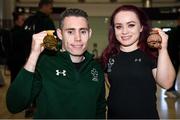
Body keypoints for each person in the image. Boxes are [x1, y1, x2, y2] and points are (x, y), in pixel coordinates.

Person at [6, 8, 106, 119]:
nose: (78, 38)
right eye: (70, 32)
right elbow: (14, 105)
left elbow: (100, 109)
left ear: (89, 33)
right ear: (60, 34)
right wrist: (34, 55)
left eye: (83, 31)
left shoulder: (96, 68)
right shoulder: (45, 63)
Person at [101, 5, 175, 119]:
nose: (124, 31)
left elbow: (167, 83)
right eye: (119, 26)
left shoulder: (151, 54)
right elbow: (113, 87)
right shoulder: (108, 55)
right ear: (114, 29)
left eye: (131, 25)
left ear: (141, 27)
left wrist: (163, 49)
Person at [7, 12, 26, 83]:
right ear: (16, 21)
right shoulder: (21, 32)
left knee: (13, 79)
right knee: (19, 80)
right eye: (22, 20)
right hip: (19, 60)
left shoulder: (10, 31)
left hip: (12, 60)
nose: (24, 22)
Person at [165, 18, 180, 98]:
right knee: (172, 73)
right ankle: (169, 90)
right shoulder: (174, 31)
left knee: (175, 71)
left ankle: (172, 89)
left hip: (175, 56)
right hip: (172, 55)